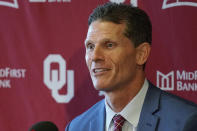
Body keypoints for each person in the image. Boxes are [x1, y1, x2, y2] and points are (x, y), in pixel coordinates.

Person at [65, 2, 197, 131]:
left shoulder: (186, 122)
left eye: (109, 45)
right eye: (90, 46)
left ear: (141, 54)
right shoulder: (77, 127)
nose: (95, 56)